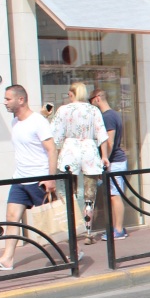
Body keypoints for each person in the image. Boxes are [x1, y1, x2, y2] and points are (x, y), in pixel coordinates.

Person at [0, 84, 58, 271]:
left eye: (8, 99)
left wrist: (50, 178)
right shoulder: (14, 122)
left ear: (21, 99)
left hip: (38, 179)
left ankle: (70, 251)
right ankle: (7, 258)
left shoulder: (38, 122)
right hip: (19, 179)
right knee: (11, 217)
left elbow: (52, 150)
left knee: (50, 221)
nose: (5, 102)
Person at [50, 81, 108, 244]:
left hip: (70, 151)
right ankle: (88, 231)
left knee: (69, 192)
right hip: (89, 151)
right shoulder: (93, 110)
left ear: (71, 94)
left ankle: (72, 229)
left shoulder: (64, 110)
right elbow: (102, 134)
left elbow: (55, 136)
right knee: (89, 196)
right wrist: (104, 156)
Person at [90, 89, 128, 241]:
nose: (90, 103)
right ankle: (117, 228)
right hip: (116, 160)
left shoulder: (108, 117)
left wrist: (105, 160)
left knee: (115, 196)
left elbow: (110, 141)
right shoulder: (113, 115)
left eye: (91, 99)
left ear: (98, 98)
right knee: (113, 195)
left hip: (115, 162)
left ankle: (118, 229)